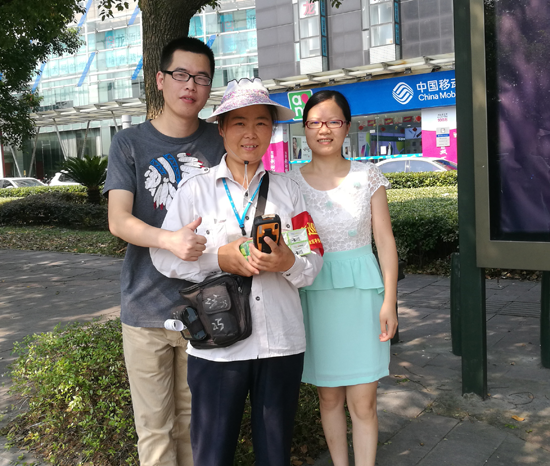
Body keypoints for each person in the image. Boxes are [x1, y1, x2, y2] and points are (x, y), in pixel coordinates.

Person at [150, 77, 324, 466]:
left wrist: (288, 263)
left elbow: (313, 257)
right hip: (217, 347)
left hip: (281, 343)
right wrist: (218, 259)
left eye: (261, 123)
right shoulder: (194, 191)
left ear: (272, 130)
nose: (251, 133)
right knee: (212, 454)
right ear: (222, 128)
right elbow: (163, 257)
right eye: (240, 123)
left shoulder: (289, 191)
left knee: (275, 454)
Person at [103, 36, 225, 466]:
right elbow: (118, 220)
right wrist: (169, 239)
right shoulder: (129, 143)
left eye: (201, 78)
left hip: (207, 308)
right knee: (154, 431)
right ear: (160, 79)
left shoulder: (220, 142)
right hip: (145, 310)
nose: (190, 85)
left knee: (195, 426)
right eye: (181, 74)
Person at [286, 90, 398, 466]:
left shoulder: (368, 176)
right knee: (329, 396)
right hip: (315, 296)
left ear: (347, 127)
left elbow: (385, 241)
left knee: (364, 401)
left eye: (333, 121)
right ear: (304, 129)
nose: (324, 130)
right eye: (315, 122)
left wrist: (390, 301)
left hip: (363, 297)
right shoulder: (289, 183)